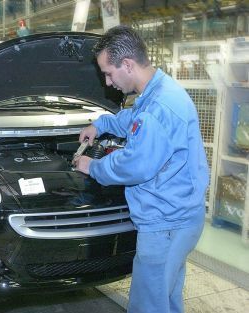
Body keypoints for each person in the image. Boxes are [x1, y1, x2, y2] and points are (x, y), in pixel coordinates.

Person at [73, 25, 209, 313]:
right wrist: (101, 124)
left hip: (166, 223)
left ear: (127, 64)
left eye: (109, 73)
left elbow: (133, 166)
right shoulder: (158, 91)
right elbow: (132, 119)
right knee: (166, 296)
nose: (108, 83)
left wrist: (92, 166)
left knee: (148, 305)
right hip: (180, 216)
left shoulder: (159, 108)